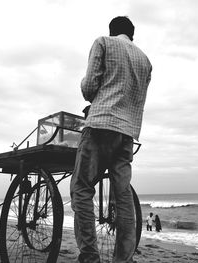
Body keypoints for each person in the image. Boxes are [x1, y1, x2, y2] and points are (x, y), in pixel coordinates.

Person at [70, 16, 152, 263]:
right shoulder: (145, 61)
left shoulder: (103, 42)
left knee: (82, 188)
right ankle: (123, 258)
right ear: (132, 35)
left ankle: (89, 256)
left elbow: (90, 88)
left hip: (100, 124)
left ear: (112, 30)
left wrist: (83, 83)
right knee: (123, 194)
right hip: (127, 133)